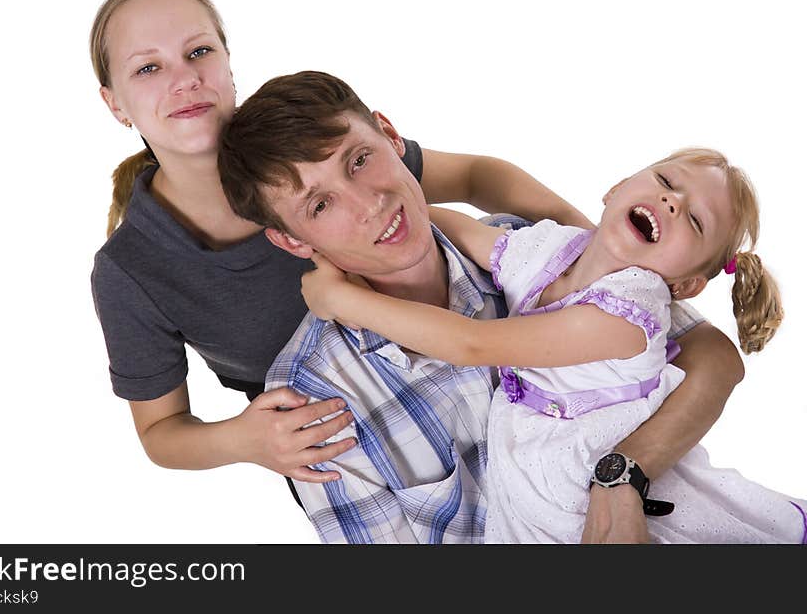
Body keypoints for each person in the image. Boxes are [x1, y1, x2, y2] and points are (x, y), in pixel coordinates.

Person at [89, 0, 591, 498]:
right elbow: (159, 431)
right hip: (365, 447)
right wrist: (244, 439)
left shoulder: (304, 149)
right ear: (115, 104)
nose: (184, 79)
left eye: (198, 51)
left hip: (485, 363)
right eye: (148, 67)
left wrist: (587, 245)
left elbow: (473, 176)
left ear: (229, 63)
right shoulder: (131, 269)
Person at [219, 70, 746, 543]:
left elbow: (714, 356)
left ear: (389, 134)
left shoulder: (543, 263)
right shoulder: (314, 396)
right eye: (320, 204)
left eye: (360, 160)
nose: (370, 203)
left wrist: (624, 474)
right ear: (292, 242)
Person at [303, 146, 807, 543]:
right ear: (614, 189)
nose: (673, 202)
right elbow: (462, 231)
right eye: (666, 181)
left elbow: (472, 344)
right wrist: (388, 217)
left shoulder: (630, 314)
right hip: (525, 459)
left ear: (687, 286)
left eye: (696, 222)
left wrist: (341, 299)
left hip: (582, 463)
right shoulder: (555, 247)